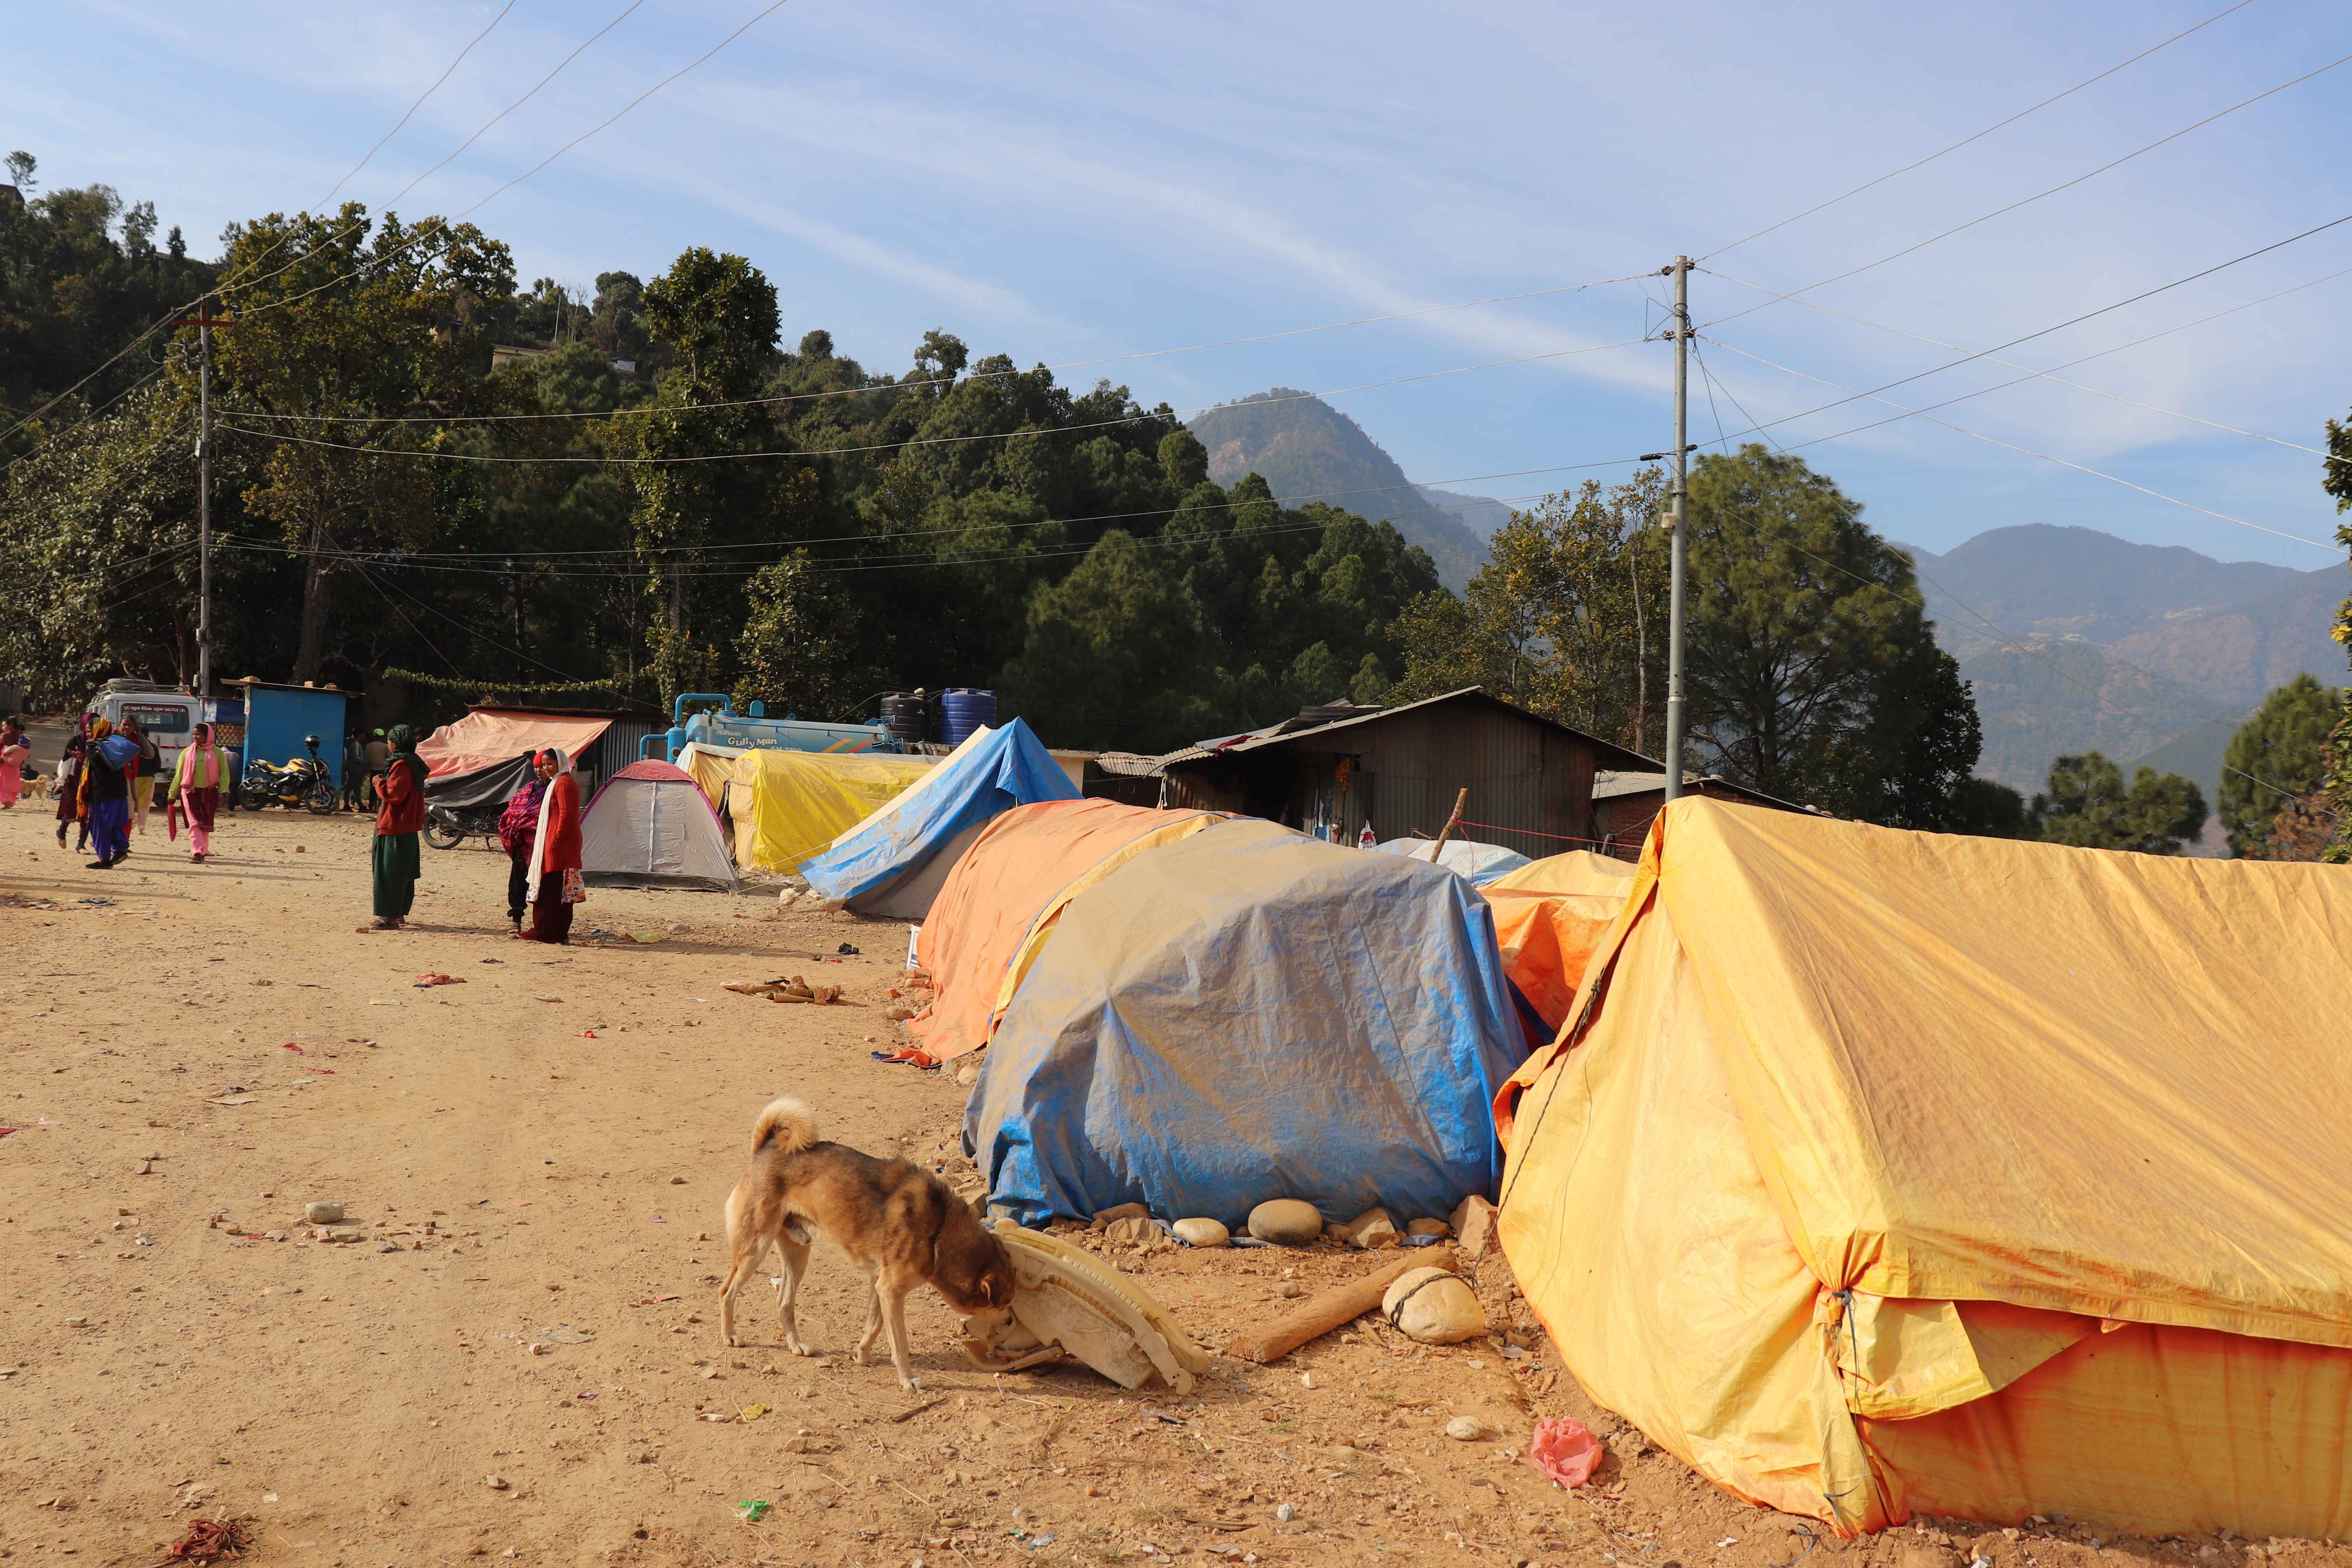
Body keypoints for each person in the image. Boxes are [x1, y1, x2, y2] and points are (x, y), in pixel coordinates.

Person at [366, 723, 426, 931]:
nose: (389, 744)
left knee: (388, 872)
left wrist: (378, 783)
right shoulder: (415, 763)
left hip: (395, 826)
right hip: (407, 827)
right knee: (402, 873)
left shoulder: (402, 765)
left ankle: (390, 918)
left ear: (397, 743)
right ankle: (398, 913)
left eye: (390, 741)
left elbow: (395, 794)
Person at [523, 747, 584, 944]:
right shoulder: (559, 782)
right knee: (559, 891)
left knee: (551, 889)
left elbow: (566, 815)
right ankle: (556, 933)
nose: (546, 769)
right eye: (544, 765)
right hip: (558, 843)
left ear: (560, 763)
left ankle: (547, 933)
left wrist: (557, 838)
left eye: (550, 764)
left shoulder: (563, 783)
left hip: (559, 845)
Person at [498, 751, 549, 937]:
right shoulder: (530, 789)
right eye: (536, 767)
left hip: (543, 843)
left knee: (544, 884)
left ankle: (543, 924)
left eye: (542, 767)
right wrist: (517, 823)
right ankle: (516, 918)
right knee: (518, 881)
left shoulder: (554, 789)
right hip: (522, 842)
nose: (539, 771)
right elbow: (515, 808)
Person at [82, 718, 138, 869]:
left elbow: (96, 762)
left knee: (99, 826)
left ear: (97, 730)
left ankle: (104, 859)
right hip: (117, 792)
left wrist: (90, 746)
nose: (87, 734)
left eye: (89, 731)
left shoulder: (98, 746)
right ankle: (120, 850)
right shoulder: (113, 742)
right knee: (113, 824)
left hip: (103, 794)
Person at [169, 721, 226, 862]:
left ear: (208, 736)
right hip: (189, 791)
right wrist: (172, 793)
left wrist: (225, 791)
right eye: (194, 734)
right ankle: (197, 852)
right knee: (195, 822)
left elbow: (225, 774)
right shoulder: (187, 753)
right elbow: (180, 774)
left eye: (198, 735)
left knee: (205, 823)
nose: (195, 737)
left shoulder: (218, 753)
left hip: (209, 791)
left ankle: (204, 849)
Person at [124, 717, 160, 833]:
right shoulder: (152, 747)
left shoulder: (133, 746)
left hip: (135, 777)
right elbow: (158, 765)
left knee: (132, 801)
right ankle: (141, 827)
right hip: (149, 779)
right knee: (145, 803)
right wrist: (151, 773)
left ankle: (132, 821)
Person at [54, 731, 85, 849]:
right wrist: (61, 782)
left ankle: (81, 844)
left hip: (91, 780)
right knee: (72, 808)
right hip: (74, 780)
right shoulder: (76, 740)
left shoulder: (100, 740)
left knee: (88, 813)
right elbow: (66, 762)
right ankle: (62, 832)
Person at [0, 717, 27, 809]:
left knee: (2, 781)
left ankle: (6, 801)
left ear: (10, 725)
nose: (2, 727)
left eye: (4, 725)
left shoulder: (5, 735)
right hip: (16, 762)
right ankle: (11, 801)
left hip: (5, 761)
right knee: (13, 782)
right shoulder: (17, 735)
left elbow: (2, 748)